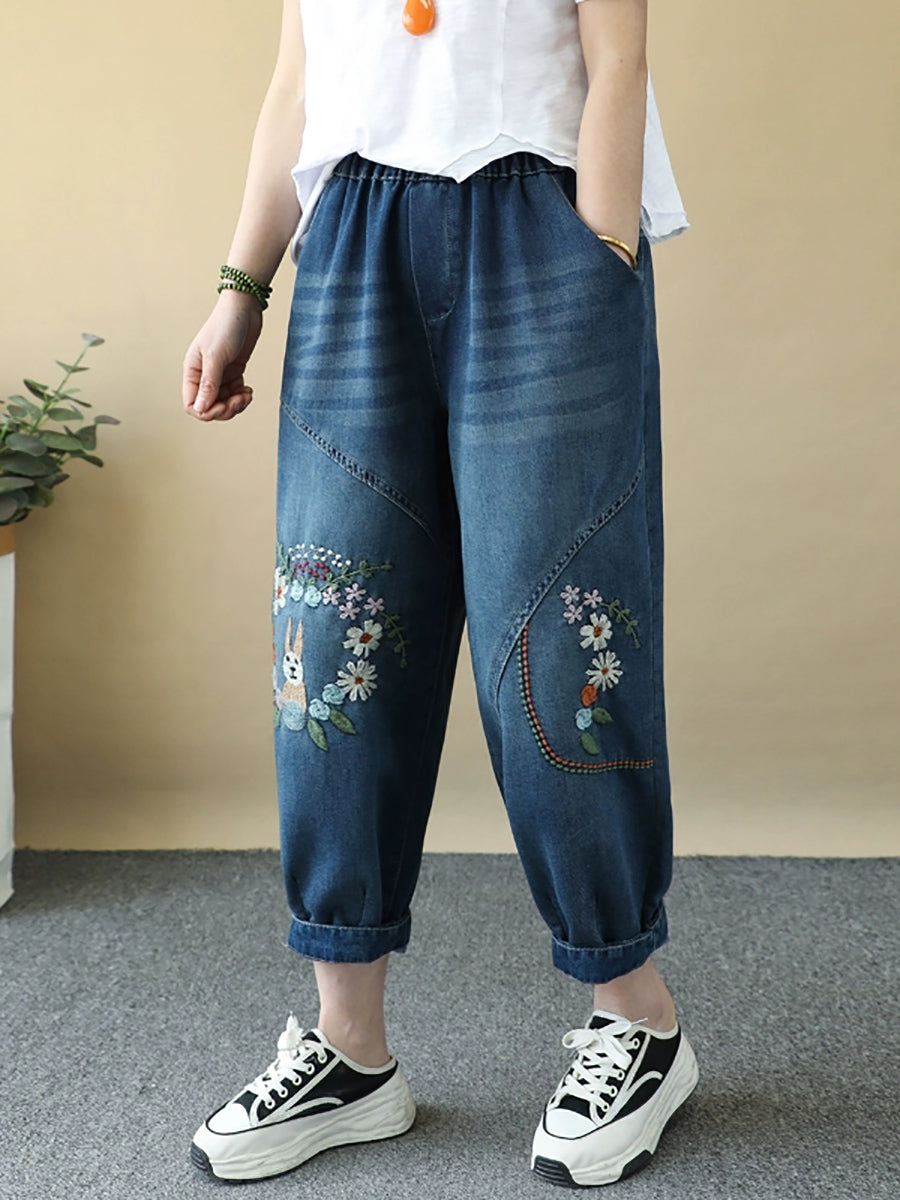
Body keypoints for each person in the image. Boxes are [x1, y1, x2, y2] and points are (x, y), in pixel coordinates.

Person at [181, 0, 697, 1188]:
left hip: (539, 223)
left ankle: (637, 1016)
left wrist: (602, 252)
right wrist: (240, 289)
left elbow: (618, 54)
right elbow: (298, 82)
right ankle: (348, 1047)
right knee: (333, 639)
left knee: (557, 643)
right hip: (353, 241)